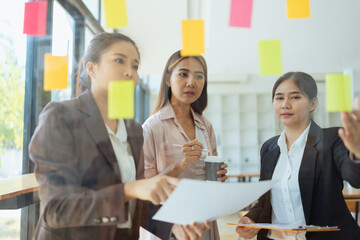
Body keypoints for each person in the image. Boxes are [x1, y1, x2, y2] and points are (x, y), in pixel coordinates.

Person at [29, 32, 180, 240]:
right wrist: (130, 189)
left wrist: (173, 226)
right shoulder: (60, 116)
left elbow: (134, 206)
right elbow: (57, 210)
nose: (130, 72)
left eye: (135, 66)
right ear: (92, 68)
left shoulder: (134, 130)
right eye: (119, 61)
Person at [236, 72, 360, 240]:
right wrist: (250, 218)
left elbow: (356, 179)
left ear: (312, 103)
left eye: (294, 97)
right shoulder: (269, 148)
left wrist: (357, 152)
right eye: (279, 98)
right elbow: (266, 200)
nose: (285, 104)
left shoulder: (331, 139)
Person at [143, 51, 227, 240]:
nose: (192, 82)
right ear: (167, 79)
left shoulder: (205, 125)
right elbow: (145, 189)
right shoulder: (153, 127)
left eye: (199, 76)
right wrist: (180, 165)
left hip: (203, 220)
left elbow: (212, 181)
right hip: (171, 227)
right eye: (183, 74)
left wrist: (219, 177)